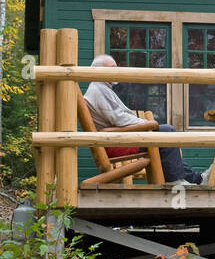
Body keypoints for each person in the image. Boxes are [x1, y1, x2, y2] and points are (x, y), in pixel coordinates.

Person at [83, 55, 205, 185]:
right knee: (167, 132)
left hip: (118, 138)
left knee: (165, 136)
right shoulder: (99, 89)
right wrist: (146, 125)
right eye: (113, 68)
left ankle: (196, 179)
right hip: (117, 143)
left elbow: (116, 116)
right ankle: (175, 181)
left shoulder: (100, 88)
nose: (117, 70)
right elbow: (119, 118)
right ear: (100, 69)